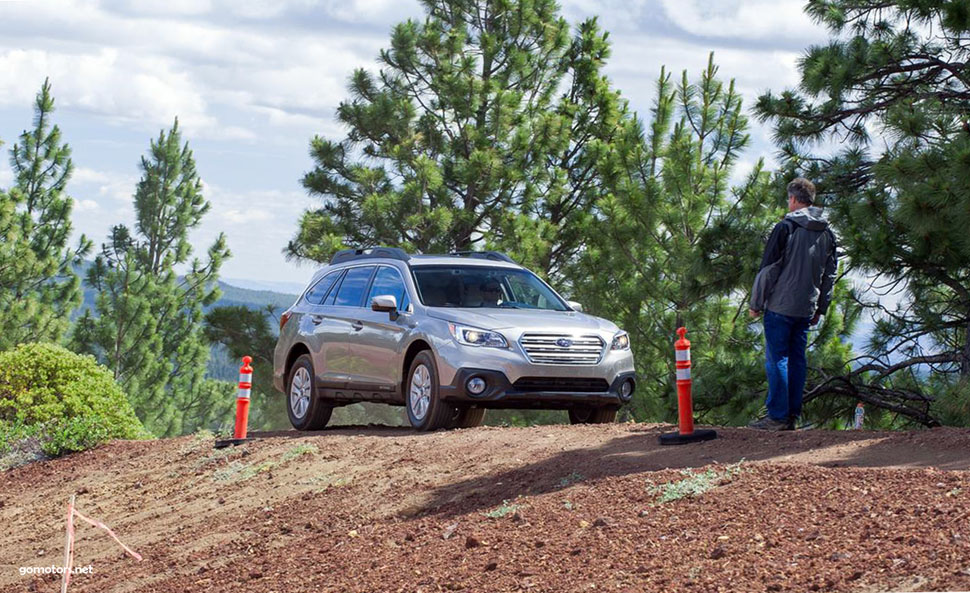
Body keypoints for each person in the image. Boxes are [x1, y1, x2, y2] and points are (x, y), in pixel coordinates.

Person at [748, 178, 837, 431]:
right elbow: (829, 275)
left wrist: (756, 302)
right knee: (797, 360)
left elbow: (768, 270)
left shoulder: (786, 227)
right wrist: (821, 307)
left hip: (780, 306)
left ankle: (777, 416)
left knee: (777, 359)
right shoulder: (827, 233)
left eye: (789, 199)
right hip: (806, 308)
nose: (788, 203)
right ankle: (792, 415)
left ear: (794, 200)